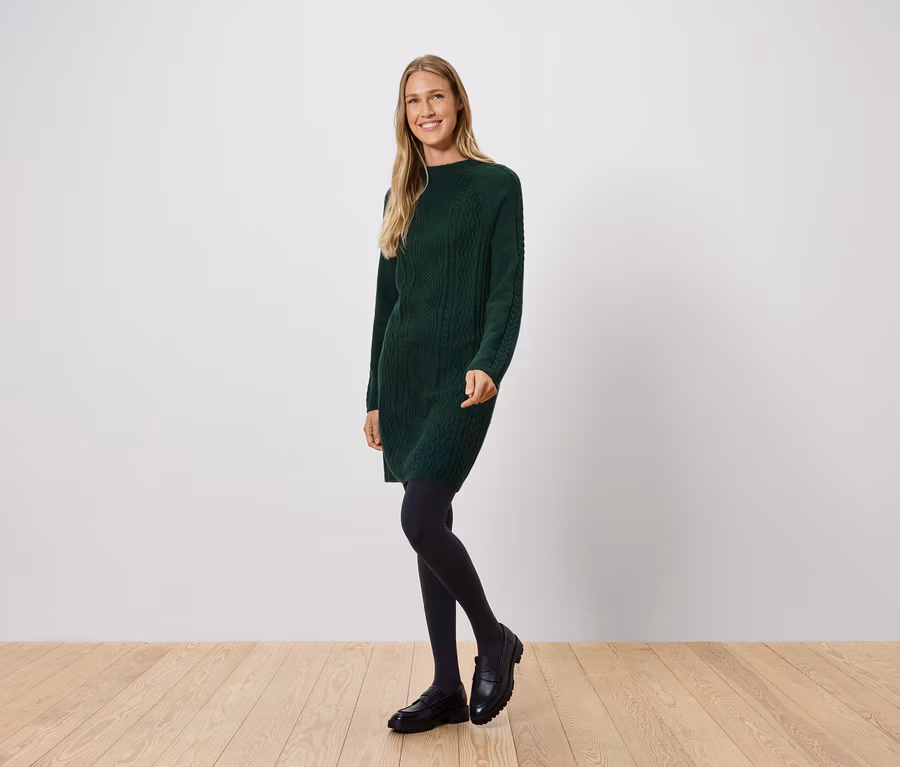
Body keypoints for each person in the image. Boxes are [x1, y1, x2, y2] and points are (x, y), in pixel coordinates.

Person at [362, 55, 525, 733]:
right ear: (403, 115)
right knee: (431, 525)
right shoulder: (401, 194)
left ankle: (493, 638)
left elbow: (505, 288)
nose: (425, 110)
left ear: (458, 102)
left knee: (421, 517)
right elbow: (387, 302)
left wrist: (490, 361)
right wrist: (374, 393)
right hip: (405, 379)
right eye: (413, 100)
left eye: (436, 96)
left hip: (463, 379)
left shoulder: (497, 185)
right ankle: (446, 686)